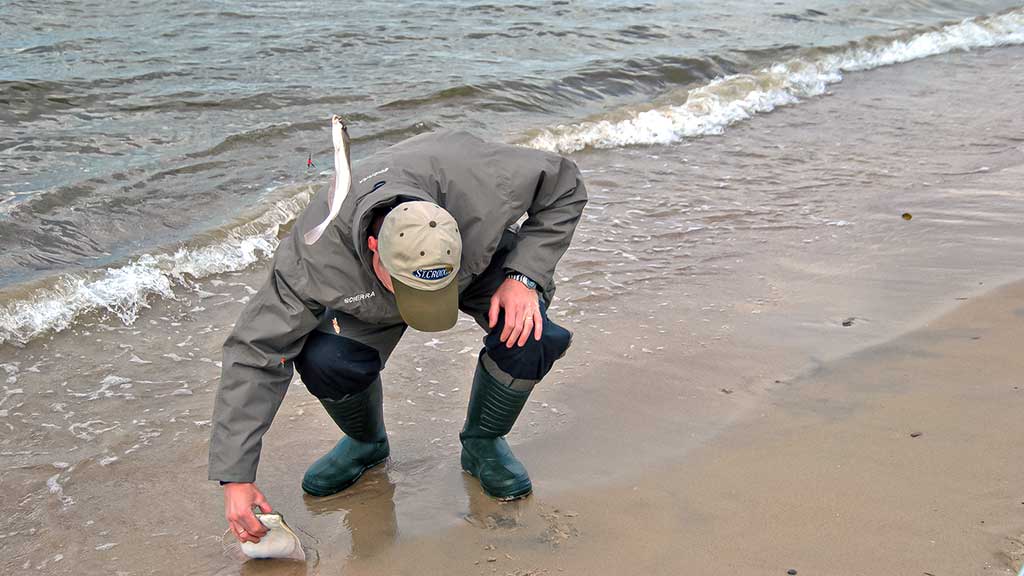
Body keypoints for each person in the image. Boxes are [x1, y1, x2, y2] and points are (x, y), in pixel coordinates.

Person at [208, 129, 587, 544]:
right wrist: (236, 478)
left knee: (531, 333)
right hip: (366, 296)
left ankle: (483, 442)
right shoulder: (316, 252)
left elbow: (565, 184)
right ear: (373, 246)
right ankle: (365, 443)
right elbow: (256, 349)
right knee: (323, 358)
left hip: (472, 267)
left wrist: (524, 276)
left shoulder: (482, 181)